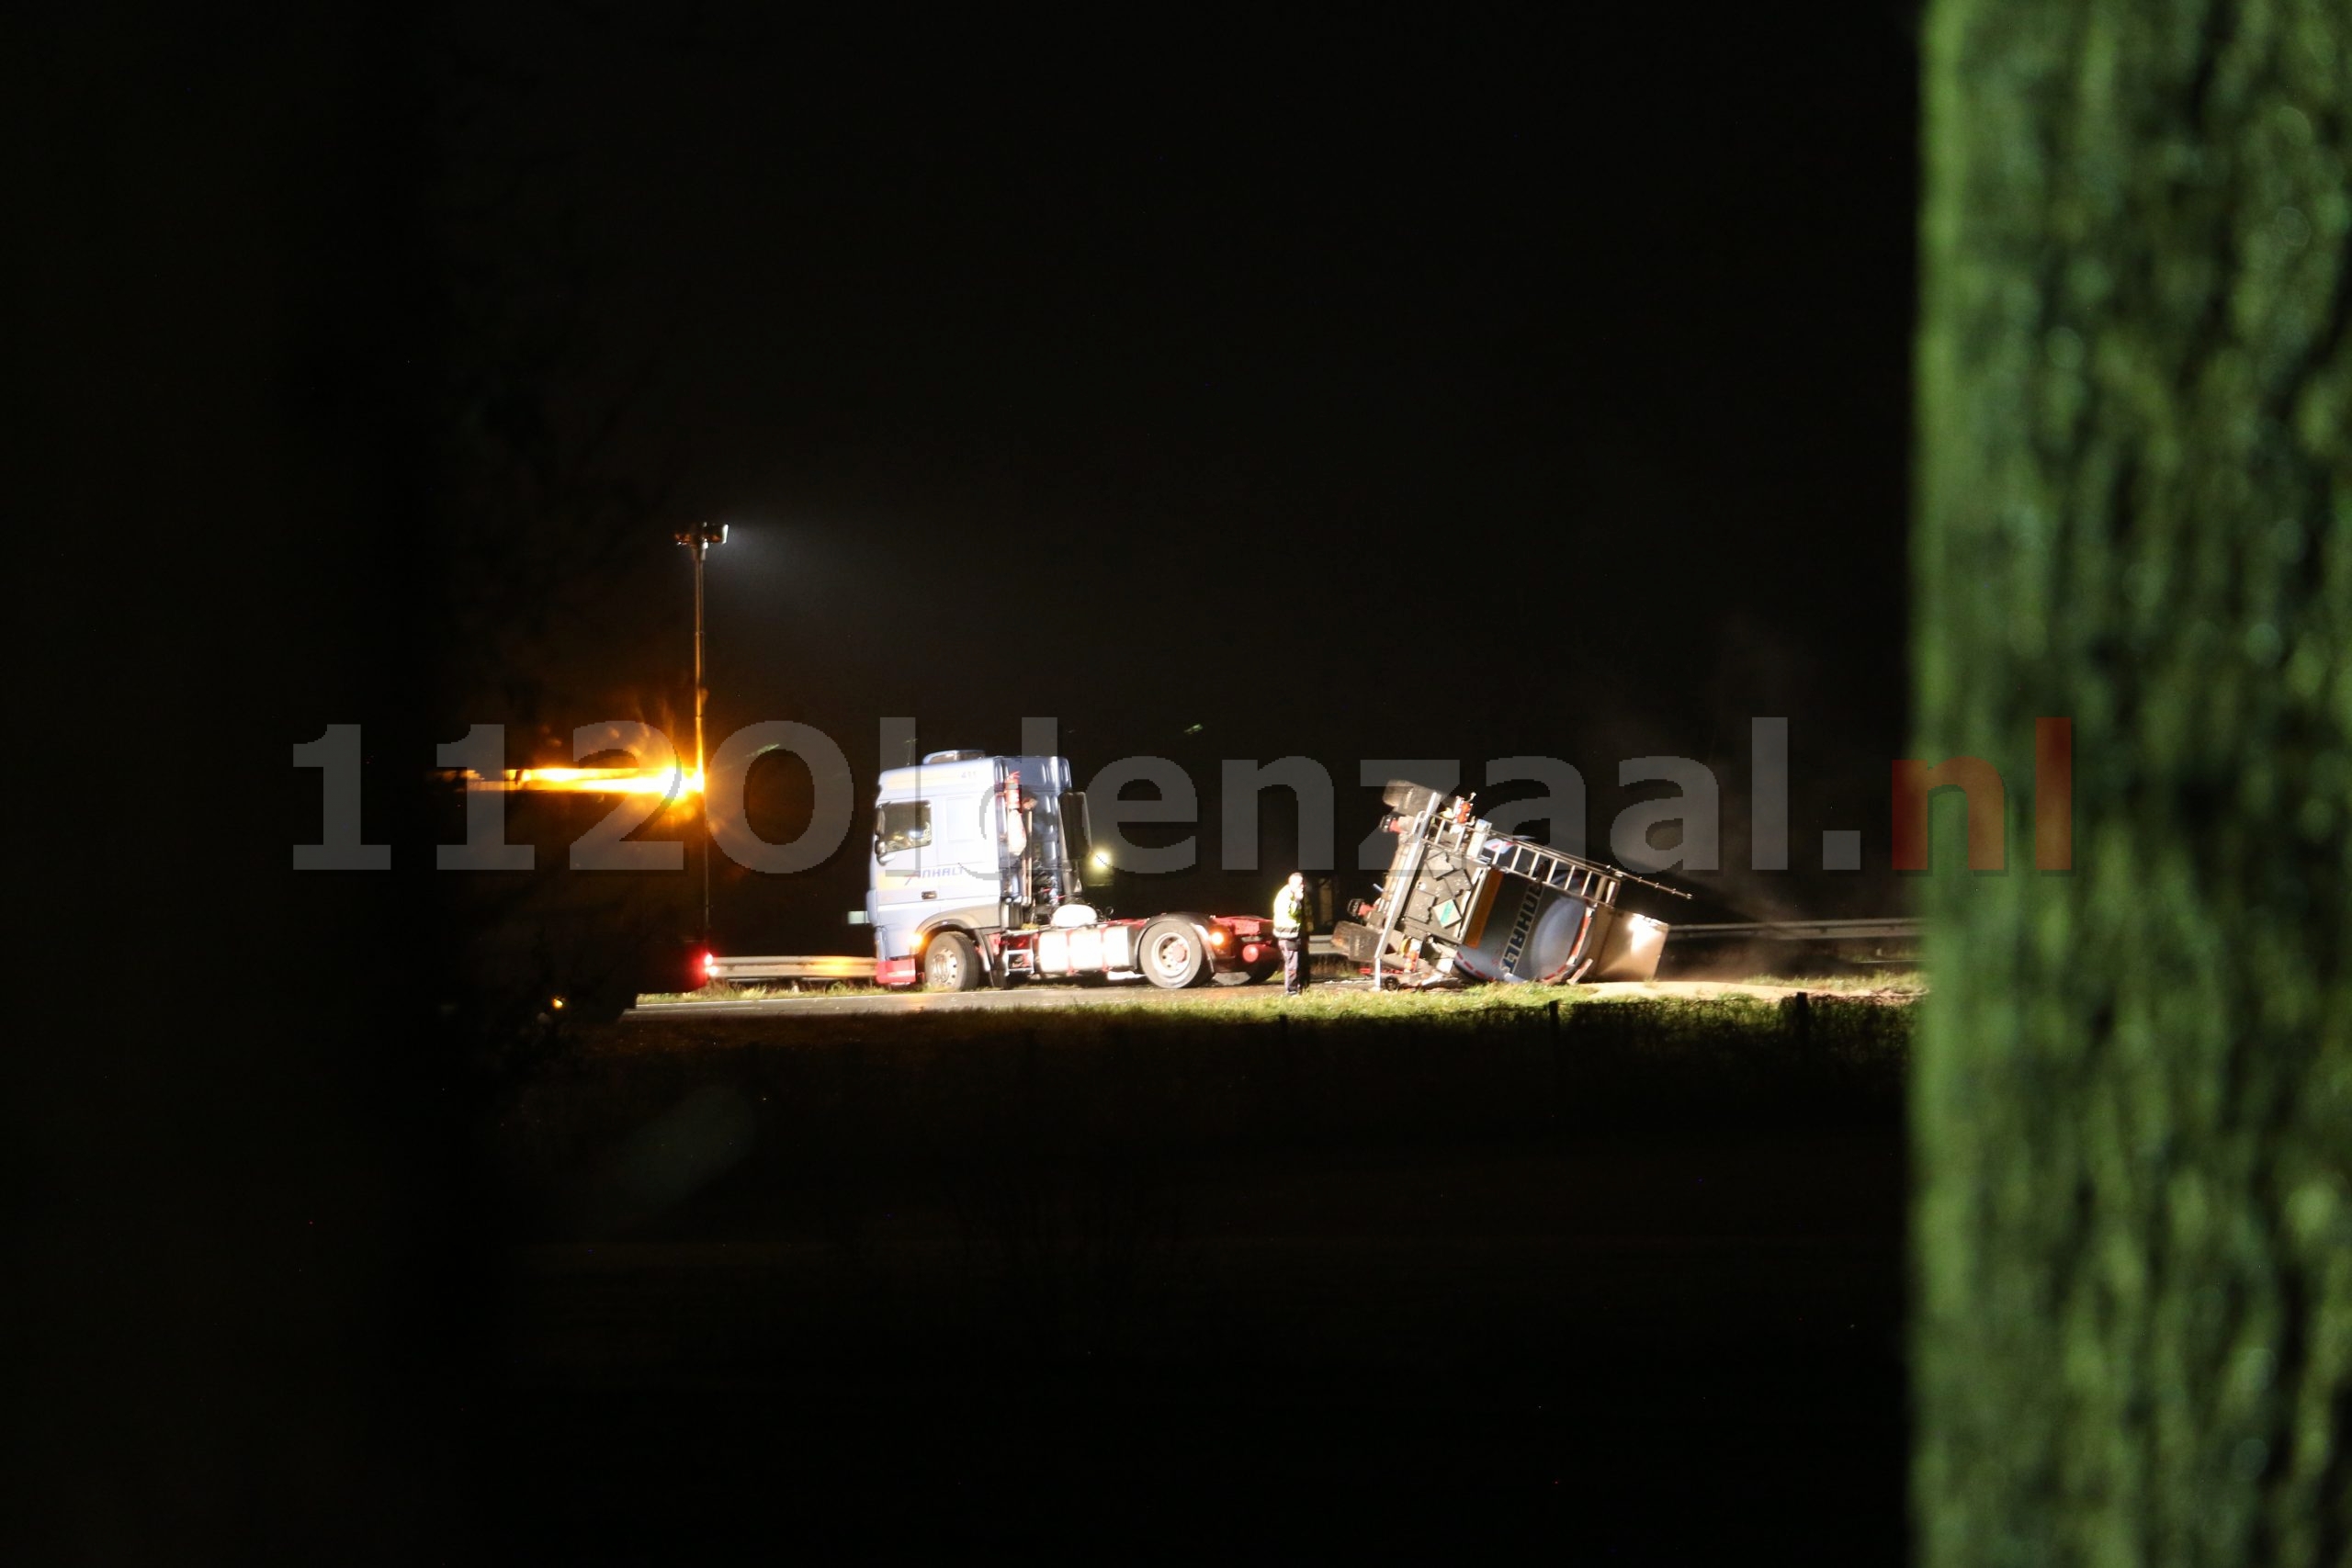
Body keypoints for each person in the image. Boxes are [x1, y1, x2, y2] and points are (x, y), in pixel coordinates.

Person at [1272, 872, 1310, 996]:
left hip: (1300, 935)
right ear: (1291, 883)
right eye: (1299, 884)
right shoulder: (1286, 895)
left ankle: (1304, 990)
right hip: (1288, 936)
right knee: (1293, 966)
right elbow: (1292, 913)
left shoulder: (1299, 894)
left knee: (1303, 964)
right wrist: (1298, 900)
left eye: (1303, 883)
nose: (1302, 886)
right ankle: (1291, 992)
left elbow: (1307, 915)